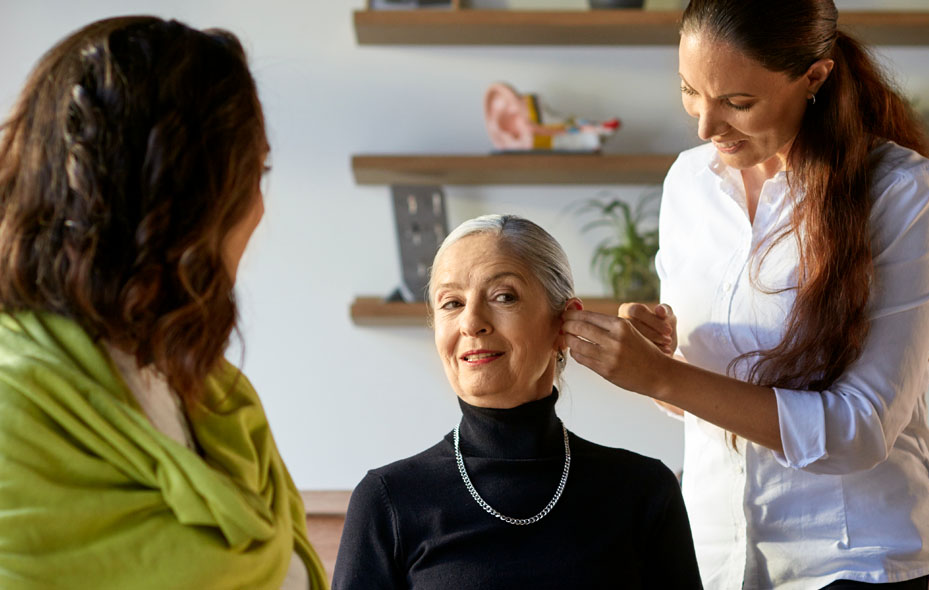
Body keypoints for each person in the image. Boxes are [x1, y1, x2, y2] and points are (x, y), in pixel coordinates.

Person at [562, 1, 929, 589]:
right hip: (715, 553)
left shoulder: (897, 190)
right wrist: (661, 355)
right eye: (689, 90)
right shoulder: (689, 184)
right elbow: (697, 391)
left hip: (856, 557)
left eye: (738, 103)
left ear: (814, 78)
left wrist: (662, 378)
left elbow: (861, 428)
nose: (704, 125)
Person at [0, 17, 328, 590]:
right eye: (256, 173)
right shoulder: (15, 408)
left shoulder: (222, 404)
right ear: (193, 203)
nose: (260, 208)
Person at [332, 214, 702, 589]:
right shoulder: (388, 501)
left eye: (503, 296)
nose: (471, 322)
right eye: (451, 303)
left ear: (564, 324)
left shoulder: (643, 492)